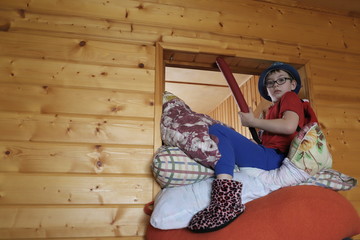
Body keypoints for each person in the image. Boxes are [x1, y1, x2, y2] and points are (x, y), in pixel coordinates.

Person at [187, 62, 306, 233]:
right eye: (270, 82)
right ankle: (226, 195)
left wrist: (253, 121)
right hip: (269, 155)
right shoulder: (271, 110)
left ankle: (225, 200)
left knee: (219, 130)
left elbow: (289, 127)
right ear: (267, 89)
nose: (276, 85)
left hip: (275, 157)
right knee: (225, 135)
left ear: (293, 84)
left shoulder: (290, 98)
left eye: (281, 80)